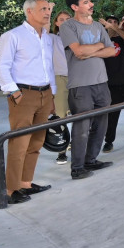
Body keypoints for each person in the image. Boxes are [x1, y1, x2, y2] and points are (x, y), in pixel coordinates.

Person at [0, 0, 56, 204]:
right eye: (43, 9)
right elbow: (1, 67)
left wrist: (52, 93)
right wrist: (14, 92)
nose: (48, 12)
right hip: (23, 95)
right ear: (29, 11)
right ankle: (11, 190)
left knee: (37, 141)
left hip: (45, 94)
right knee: (19, 143)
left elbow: (48, 67)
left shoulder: (46, 36)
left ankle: (26, 184)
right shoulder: (13, 36)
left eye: (49, 9)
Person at [60, 0, 117, 179]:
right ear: (75, 7)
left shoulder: (98, 27)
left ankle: (91, 160)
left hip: (102, 82)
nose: (91, 4)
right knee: (82, 126)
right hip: (80, 85)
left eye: (90, 1)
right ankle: (77, 168)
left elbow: (111, 51)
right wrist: (99, 46)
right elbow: (78, 51)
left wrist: (91, 51)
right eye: (86, 2)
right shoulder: (68, 26)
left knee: (101, 124)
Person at [99, 15, 124, 153]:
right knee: (112, 115)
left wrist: (117, 29)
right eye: (109, 22)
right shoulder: (102, 40)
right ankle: (108, 142)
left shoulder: (122, 38)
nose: (112, 25)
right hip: (112, 84)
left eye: (115, 22)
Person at [50, 10, 71, 165]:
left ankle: (78, 145)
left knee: (82, 113)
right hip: (60, 78)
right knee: (61, 115)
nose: (64, 22)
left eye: (67, 19)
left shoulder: (79, 37)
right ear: (56, 23)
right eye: (61, 19)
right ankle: (61, 151)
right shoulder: (52, 39)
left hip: (79, 78)